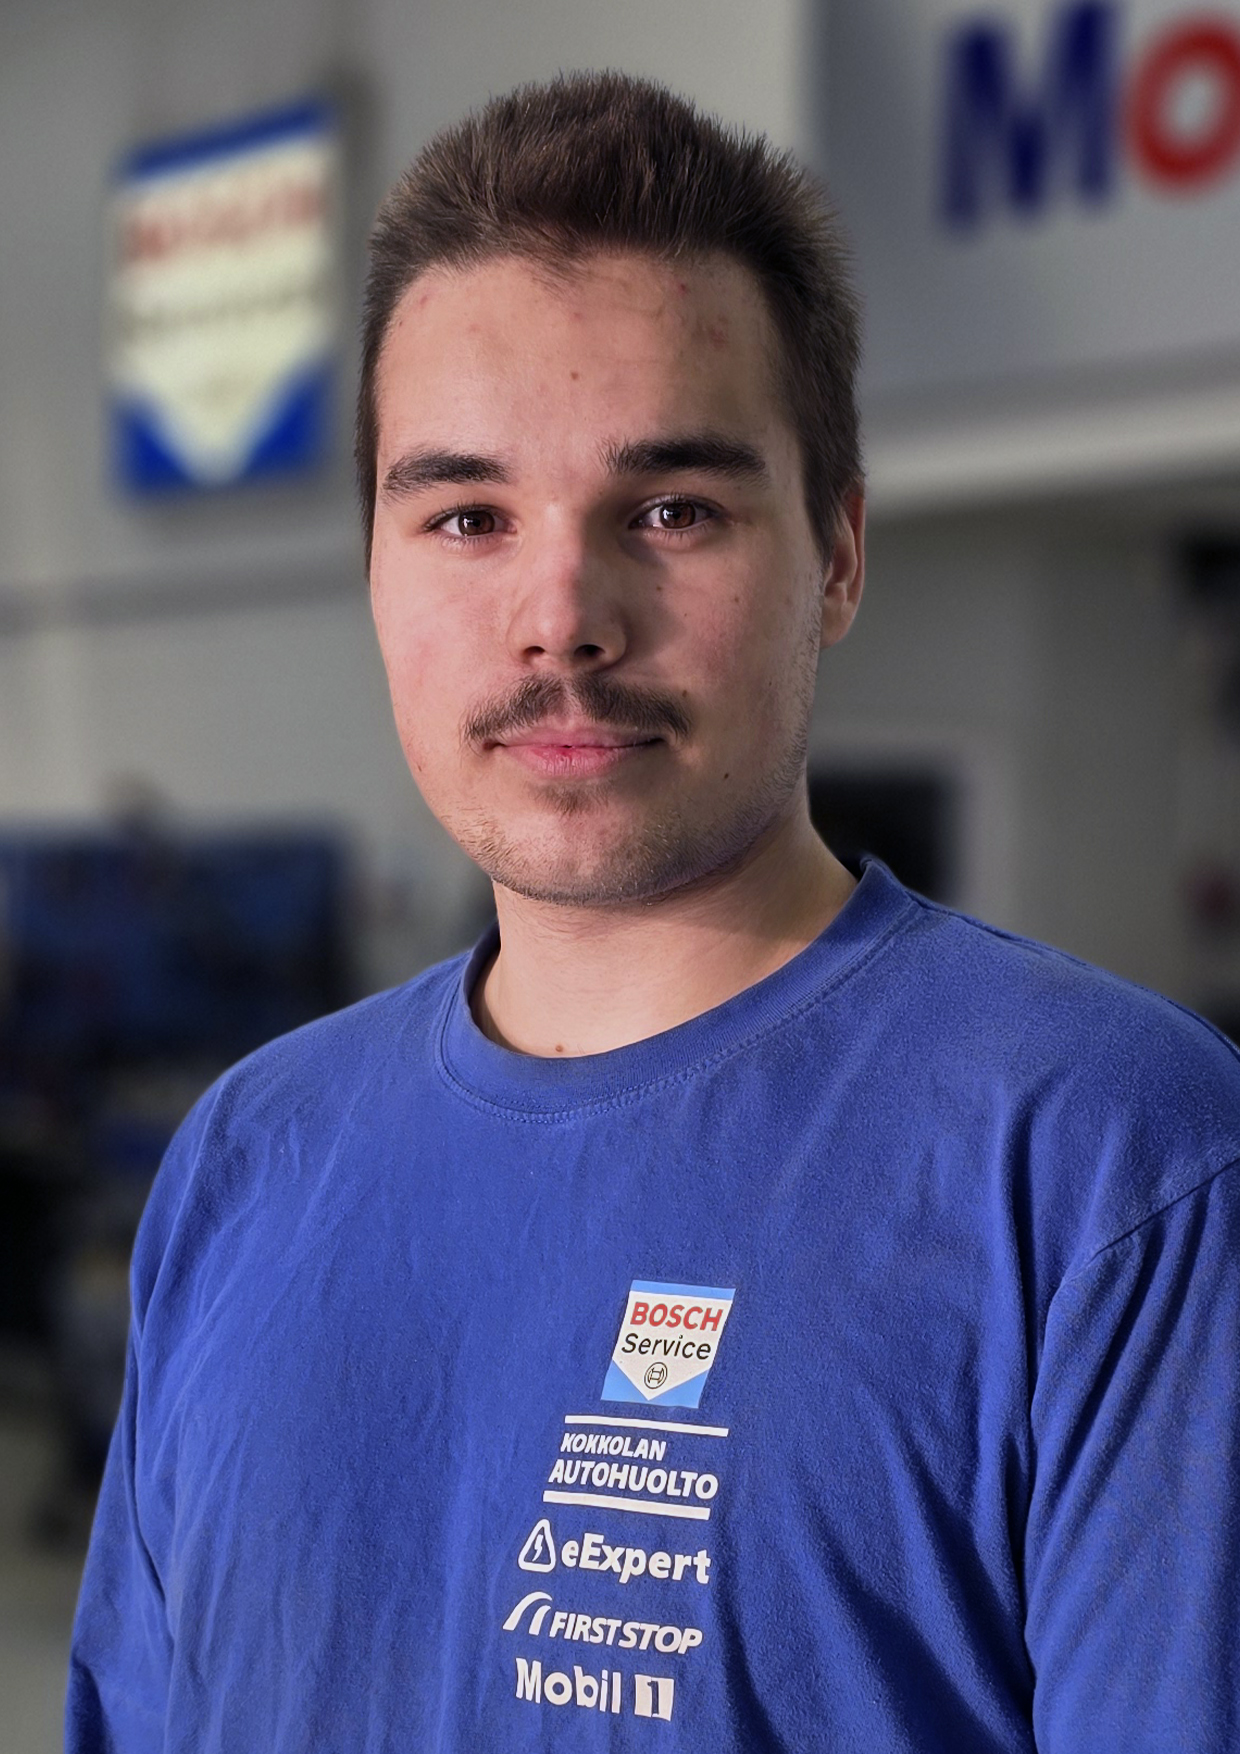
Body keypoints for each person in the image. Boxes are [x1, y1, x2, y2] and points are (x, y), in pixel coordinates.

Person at [67, 72, 1240, 1754]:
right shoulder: (246, 1161)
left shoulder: (1112, 1170)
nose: (561, 615)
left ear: (838, 556)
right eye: (467, 515)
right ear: (377, 568)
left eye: (672, 510)